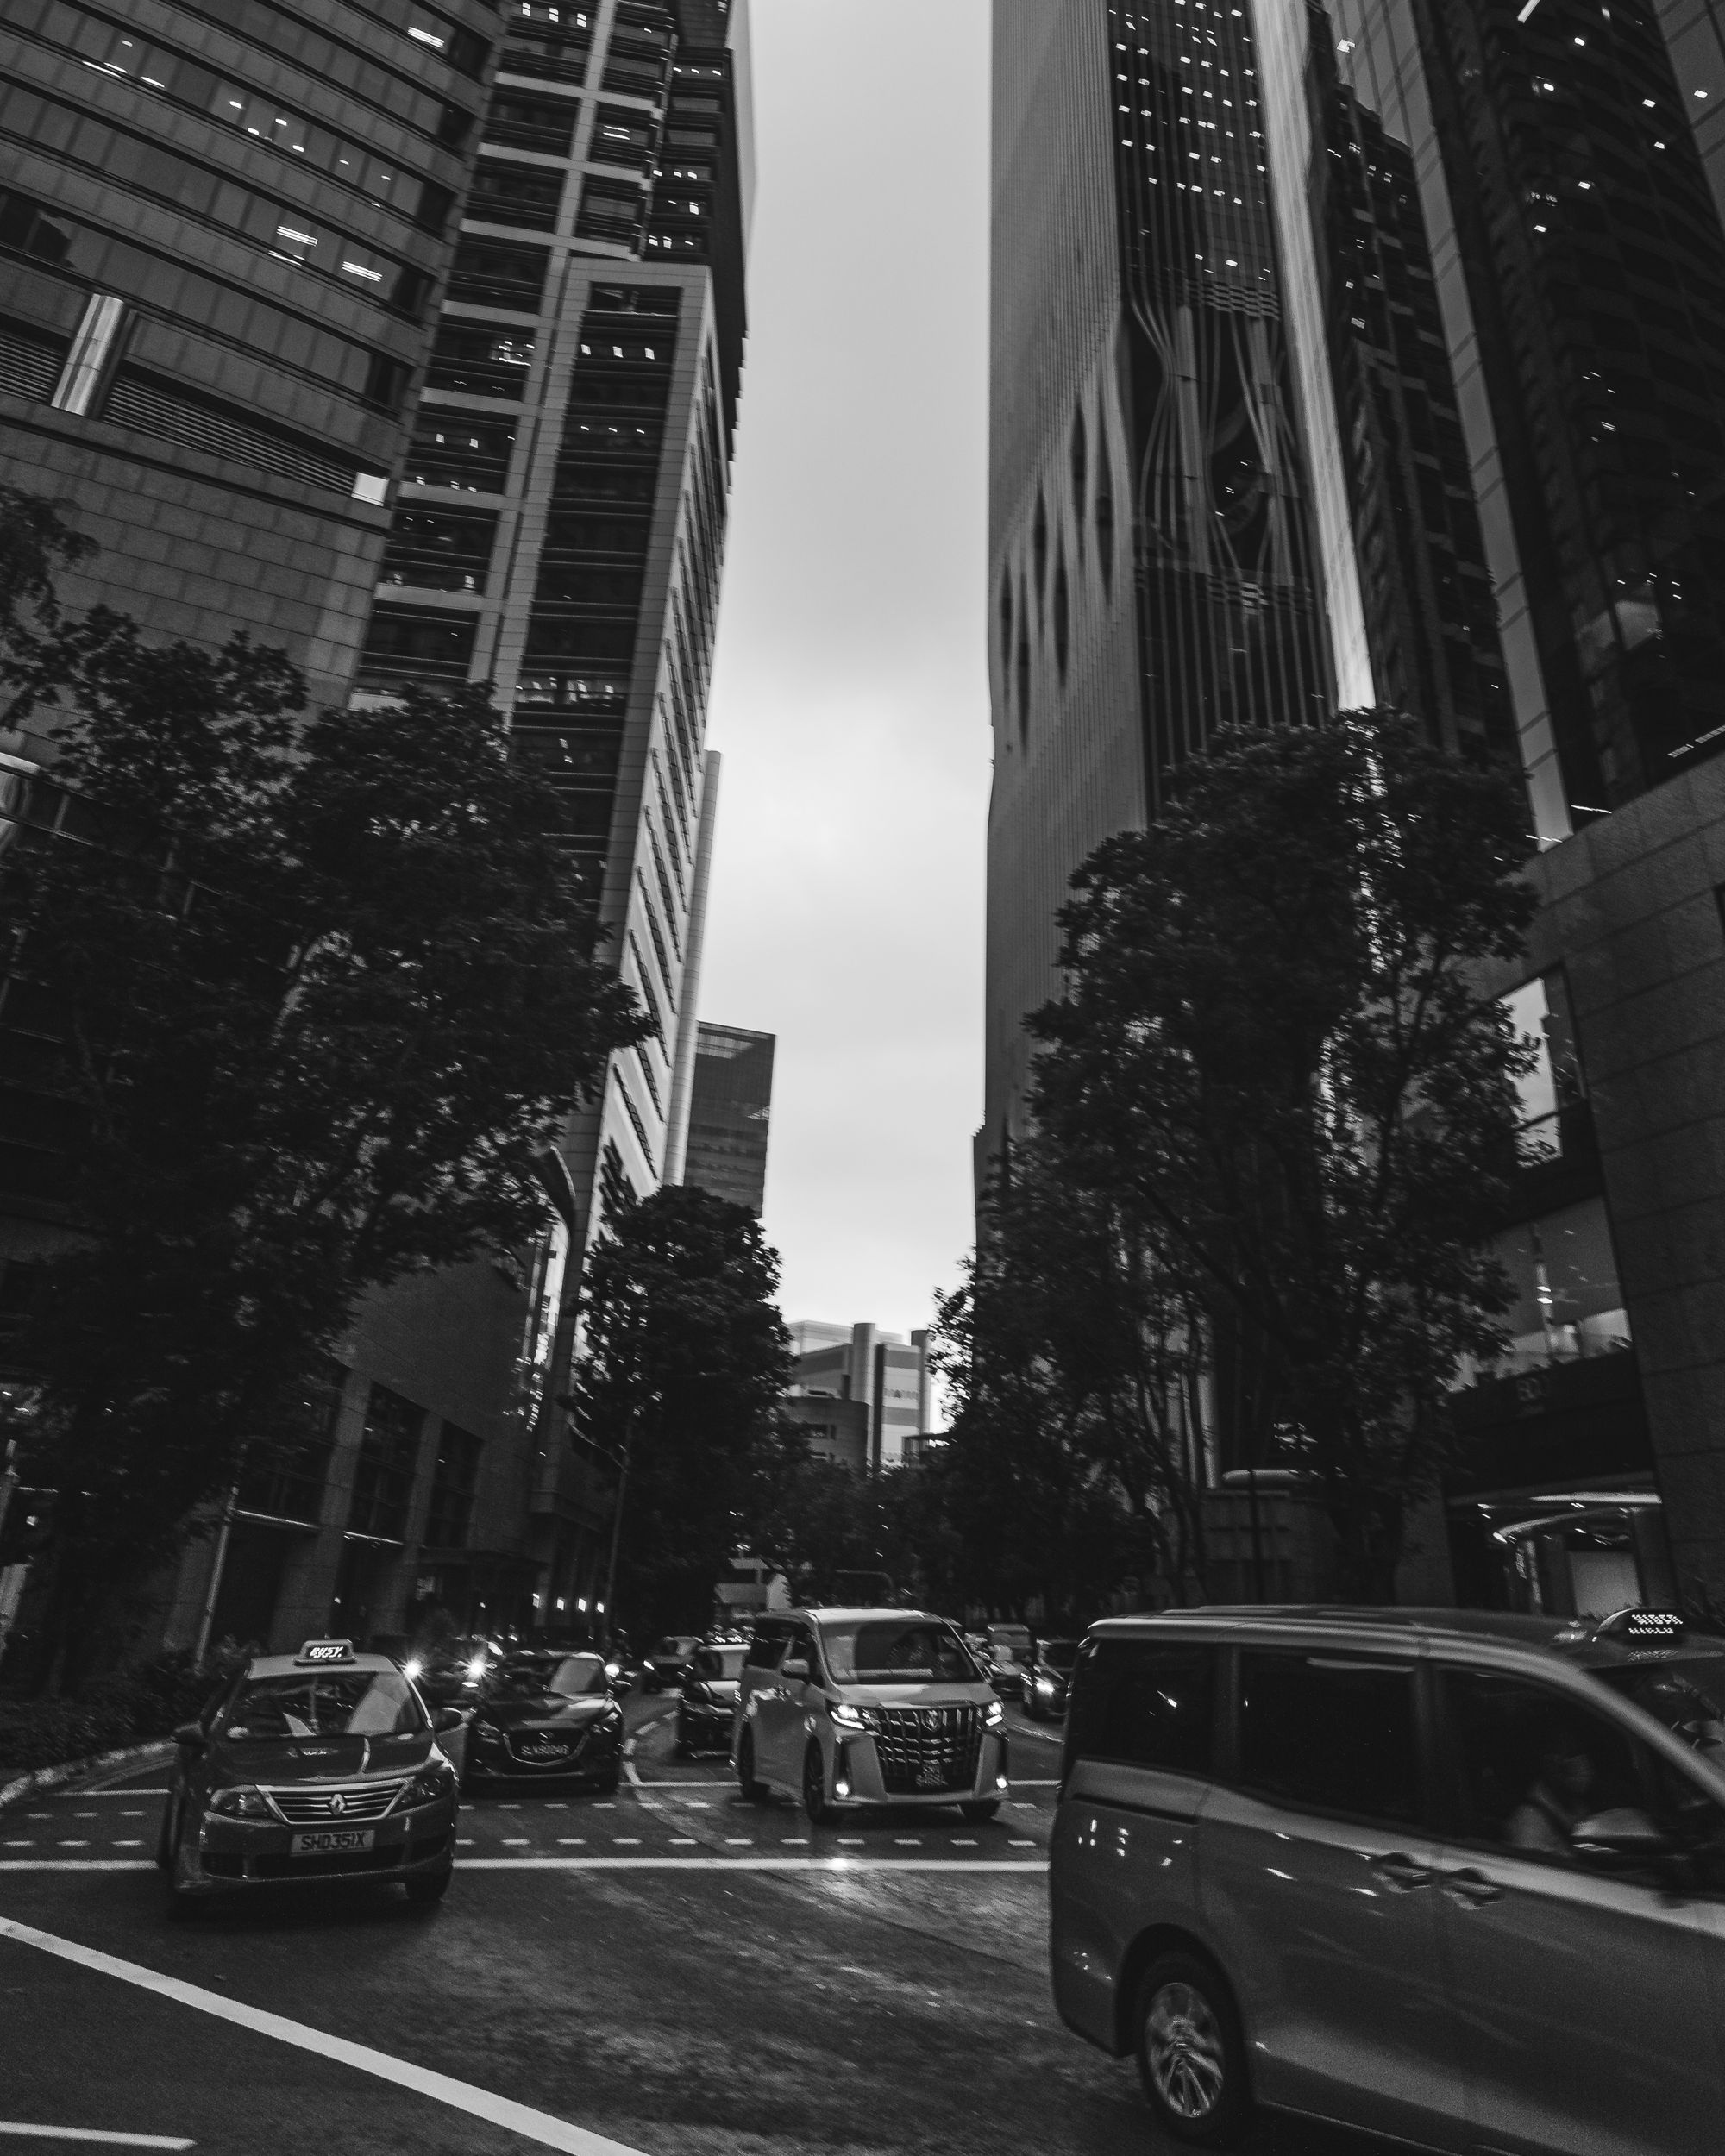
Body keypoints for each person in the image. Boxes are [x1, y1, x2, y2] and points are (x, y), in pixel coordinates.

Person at [1507, 1731, 1600, 1855]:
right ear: (1549, 1765)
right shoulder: (1530, 1822)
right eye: (1571, 1754)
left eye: (1581, 1753)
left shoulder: (1578, 1807)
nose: (1581, 1762)